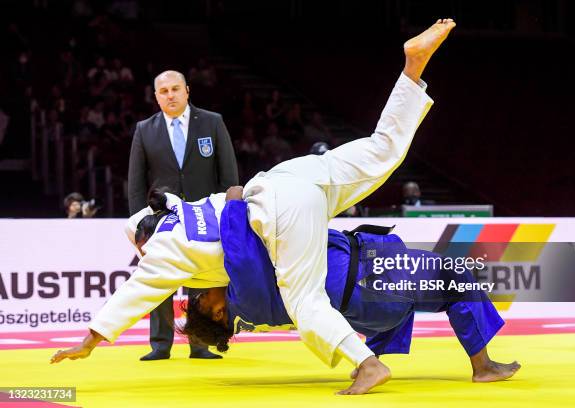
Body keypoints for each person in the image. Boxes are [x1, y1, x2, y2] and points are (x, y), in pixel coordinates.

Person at [51, 20, 457, 394]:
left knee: (304, 300)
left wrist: (90, 341)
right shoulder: (184, 207)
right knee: (380, 151)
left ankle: (367, 363)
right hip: (287, 177)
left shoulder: (161, 252)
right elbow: (230, 196)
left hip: (282, 210)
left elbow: (133, 295)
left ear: (143, 243)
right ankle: (412, 70)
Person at [180, 197, 520, 383]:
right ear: (217, 313)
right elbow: (240, 249)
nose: (204, 290)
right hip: (369, 283)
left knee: (416, 296)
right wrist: (235, 199)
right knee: (456, 278)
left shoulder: (249, 312)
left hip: (368, 298)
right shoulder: (246, 299)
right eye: (200, 298)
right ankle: (483, 366)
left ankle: (369, 361)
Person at [127, 69, 238, 361]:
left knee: (202, 278)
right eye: (163, 91)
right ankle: (160, 344)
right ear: (156, 97)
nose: (170, 95)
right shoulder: (145, 129)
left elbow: (228, 175)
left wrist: (230, 216)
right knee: (161, 277)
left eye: (175, 89)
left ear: (187, 90)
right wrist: (140, 224)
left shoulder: (212, 122)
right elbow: (136, 182)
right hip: (162, 218)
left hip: (206, 216)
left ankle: (200, 342)